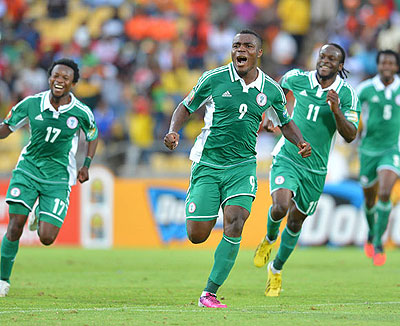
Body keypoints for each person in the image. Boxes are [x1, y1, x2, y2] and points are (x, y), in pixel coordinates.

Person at [164, 30, 311, 308]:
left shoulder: (271, 89)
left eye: (247, 46)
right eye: (236, 45)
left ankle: (209, 292)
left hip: (242, 167)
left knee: (236, 221)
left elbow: (285, 121)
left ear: (258, 53)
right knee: (197, 235)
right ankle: (197, 200)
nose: (240, 50)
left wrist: (301, 141)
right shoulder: (213, 78)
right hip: (208, 164)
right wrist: (173, 132)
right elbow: (185, 107)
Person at [253, 43, 360, 297]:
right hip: (288, 156)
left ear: (340, 66)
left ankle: (276, 269)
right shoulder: (297, 78)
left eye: (331, 59)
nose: (324, 61)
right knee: (279, 206)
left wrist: (336, 112)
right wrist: (270, 114)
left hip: (316, 169)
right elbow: (276, 91)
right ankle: (268, 239)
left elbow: (350, 135)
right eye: (322, 56)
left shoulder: (346, 95)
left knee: (295, 220)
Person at [0, 58, 99, 297]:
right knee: (15, 225)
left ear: (73, 83)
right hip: (28, 170)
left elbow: (93, 134)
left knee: (46, 237)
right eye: (56, 76)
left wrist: (85, 164)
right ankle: (2, 279)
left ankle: (40, 216)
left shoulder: (81, 112)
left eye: (65, 78)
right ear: (49, 77)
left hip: (59, 178)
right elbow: (6, 128)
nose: (59, 81)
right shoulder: (32, 103)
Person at [357, 50, 400, 266]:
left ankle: (379, 242)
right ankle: (372, 233)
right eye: (383, 62)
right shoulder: (365, 89)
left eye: (391, 63)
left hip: (392, 149)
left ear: (396, 67)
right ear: (378, 65)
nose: (386, 66)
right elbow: (351, 113)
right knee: (369, 199)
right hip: (367, 151)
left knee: (385, 192)